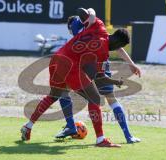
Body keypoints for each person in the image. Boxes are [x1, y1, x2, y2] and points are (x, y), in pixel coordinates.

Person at [21, 8, 131, 147]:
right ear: (119, 44)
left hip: (57, 58)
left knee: (53, 96)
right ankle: (101, 139)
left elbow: (81, 11)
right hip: (70, 64)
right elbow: (98, 77)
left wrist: (91, 14)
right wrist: (91, 14)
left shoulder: (100, 26)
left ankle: (28, 126)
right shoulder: (103, 54)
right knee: (95, 98)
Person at [55, 13, 141, 144]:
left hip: (86, 68)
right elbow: (118, 48)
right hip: (102, 67)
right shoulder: (98, 29)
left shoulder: (75, 26)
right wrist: (131, 63)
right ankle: (128, 136)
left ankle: (71, 126)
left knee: (64, 91)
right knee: (112, 100)